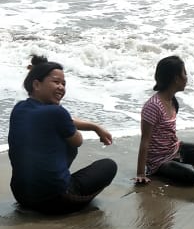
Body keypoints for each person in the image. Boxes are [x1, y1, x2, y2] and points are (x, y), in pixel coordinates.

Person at [8, 55, 117, 214]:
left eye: (63, 84)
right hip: (56, 200)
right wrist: (89, 127)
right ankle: (63, 191)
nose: (61, 87)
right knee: (108, 165)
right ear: (37, 84)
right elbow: (77, 140)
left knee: (56, 139)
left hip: (21, 196)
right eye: (56, 82)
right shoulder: (56, 112)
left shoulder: (19, 109)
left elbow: (63, 121)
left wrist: (95, 127)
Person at [134, 55, 194, 186]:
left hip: (177, 149)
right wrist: (141, 173)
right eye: (184, 73)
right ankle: (177, 168)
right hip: (159, 162)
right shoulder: (153, 106)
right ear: (176, 78)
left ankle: (183, 163)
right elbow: (145, 141)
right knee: (193, 176)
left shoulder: (172, 101)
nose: (186, 77)